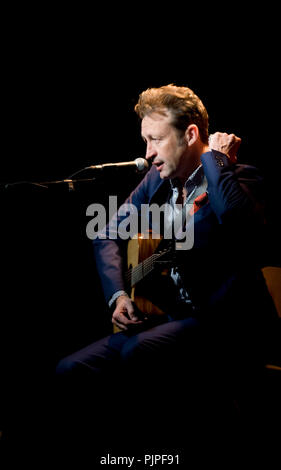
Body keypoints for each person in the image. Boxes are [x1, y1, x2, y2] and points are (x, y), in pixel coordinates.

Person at [56, 84, 277, 453]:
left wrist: (217, 161)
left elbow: (236, 221)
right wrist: (119, 295)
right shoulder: (156, 181)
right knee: (71, 370)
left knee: (140, 353)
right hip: (172, 320)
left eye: (155, 139)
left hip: (228, 326)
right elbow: (106, 233)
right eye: (145, 140)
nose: (147, 154)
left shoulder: (240, 177)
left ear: (190, 134)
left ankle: (158, 456)